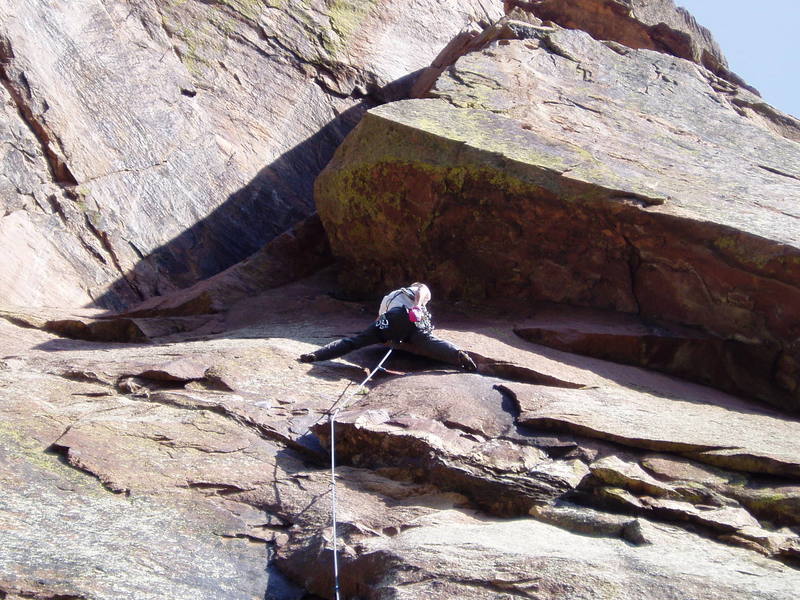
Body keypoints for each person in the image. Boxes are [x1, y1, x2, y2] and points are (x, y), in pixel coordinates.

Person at [299, 282, 477, 371]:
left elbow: (379, 319)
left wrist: (384, 336)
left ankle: (317, 355)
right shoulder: (415, 289)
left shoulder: (387, 298)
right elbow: (423, 291)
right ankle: (458, 355)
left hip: (391, 320)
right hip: (410, 318)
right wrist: (417, 305)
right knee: (428, 340)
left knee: (356, 341)